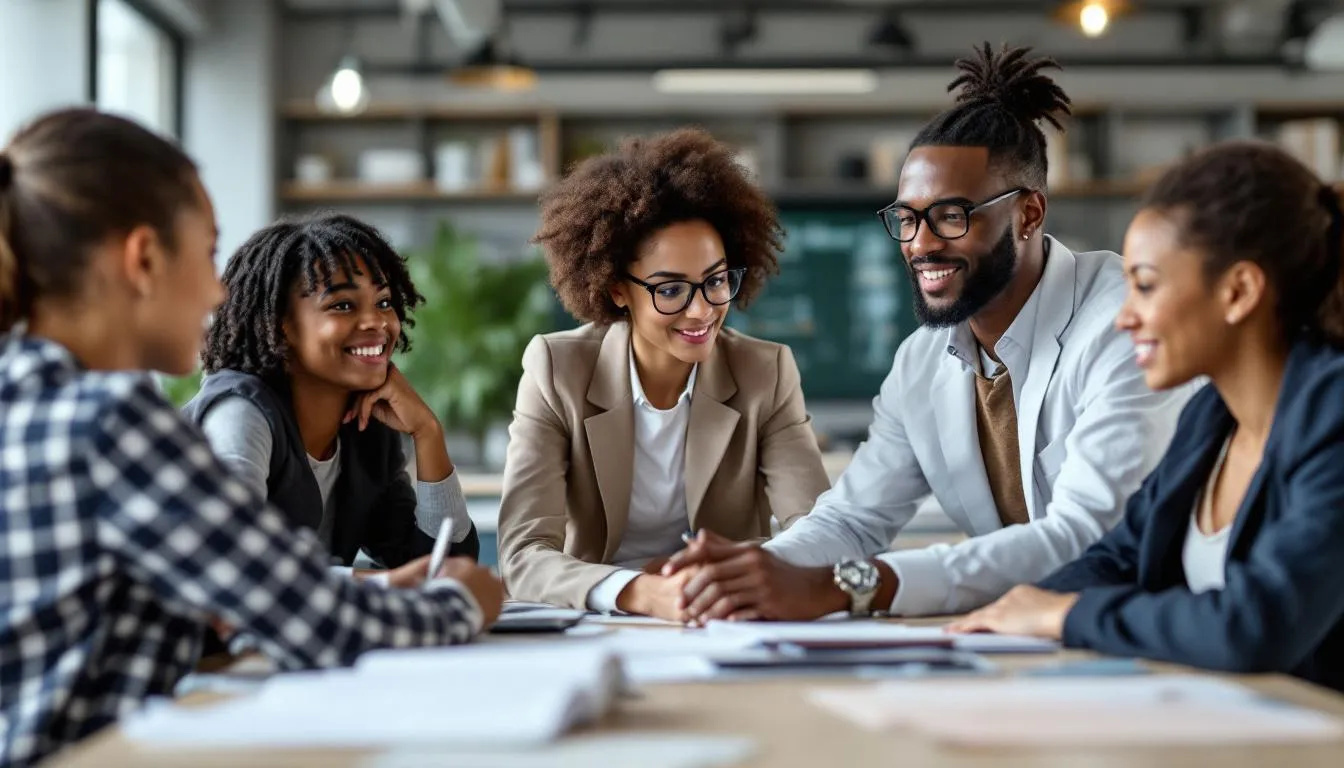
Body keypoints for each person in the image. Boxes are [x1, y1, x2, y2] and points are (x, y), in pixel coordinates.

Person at [0, 108, 503, 768]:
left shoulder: (26, 398)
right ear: (144, 259)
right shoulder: (108, 419)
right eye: (209, 254)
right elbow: (323, 627)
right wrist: (459, 603)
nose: (217, 291)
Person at [664, 43, 1192, 623]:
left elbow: (1086, 537)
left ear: (1029, 214)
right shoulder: (921, 361)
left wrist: (850, 586)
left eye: (951, 216)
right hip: (1020, 640)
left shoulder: (1124, 322)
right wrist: (752, 572)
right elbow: (853, 519)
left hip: (1151, 636)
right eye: (908, 218)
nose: (919, 244)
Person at [948, 142, 1344, 691]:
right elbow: (1120, 554)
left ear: (1239, 291)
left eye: (1147, 285)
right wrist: (1017, 611)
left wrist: (1062, 617)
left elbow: (1257, 623)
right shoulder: (1211, 415)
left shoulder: (1332, 414)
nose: (1126, 316)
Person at [496, 127, 832, 617]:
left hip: (726, 616)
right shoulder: (557, 370)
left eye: (716, 281)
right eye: (670, 290)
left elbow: (820, 532)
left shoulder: (766, 371)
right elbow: (523, 556)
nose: (701, 311)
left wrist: (727, 579)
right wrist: (643, 593)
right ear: (616, 290)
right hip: (601, 619)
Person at [182, 213, 479, 573]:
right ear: (281, 326)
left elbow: (446, 568)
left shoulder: (365, 424)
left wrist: (427, 433)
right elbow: (231, 563)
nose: (377, 322)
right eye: (342, 305)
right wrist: (373, 585)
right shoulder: (241, 413)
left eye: (384, 302)